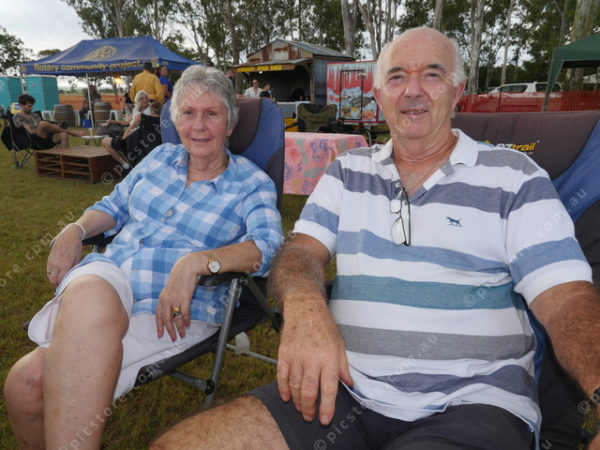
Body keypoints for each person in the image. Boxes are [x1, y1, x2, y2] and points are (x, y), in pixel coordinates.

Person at [150, 27, 600, 449]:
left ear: (458, 90)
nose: (413, 90)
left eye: (432, 75)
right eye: (397, 77)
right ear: (379, 94)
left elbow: (565, 299)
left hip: (472, 404)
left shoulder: (514, 177)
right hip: (340, 389)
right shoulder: (348, 171)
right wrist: (305, 307)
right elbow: (300, 252)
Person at [4, 65, 283, 450]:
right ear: (176, 120)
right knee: (38, 366)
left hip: (173, 309)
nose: (198, 126)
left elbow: (268, 247)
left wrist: (197, 262)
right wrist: (75, 229)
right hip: (107, 277)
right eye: (188, 113)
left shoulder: (251, 183)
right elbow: (113, 206)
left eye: (211, 114)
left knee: (28, 383)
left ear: (230, 124)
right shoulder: (159, 159)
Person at [101, 99, 162, 169]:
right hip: (151, 149)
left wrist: (134, 123)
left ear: (151, 111)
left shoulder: (144, 119)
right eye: (142, 98)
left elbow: (125, 137)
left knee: (105, 141)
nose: (144, 100)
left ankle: (125, 165)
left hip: (136, 148)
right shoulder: (163, 123)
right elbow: (127, 123)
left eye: (145, 98)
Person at [12, 94, 85, 149]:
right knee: (43, 123)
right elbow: (30, 131)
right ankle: (72, 132)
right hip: (35, 140)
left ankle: (65, 159)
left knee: (63, 134)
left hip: (47, 137)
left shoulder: (35, 115)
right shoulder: (17, 117)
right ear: (21, 105)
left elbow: (44, 127)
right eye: (29, 106)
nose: (31, 108)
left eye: (32, 106)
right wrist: (48, 127)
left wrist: (52, 127)